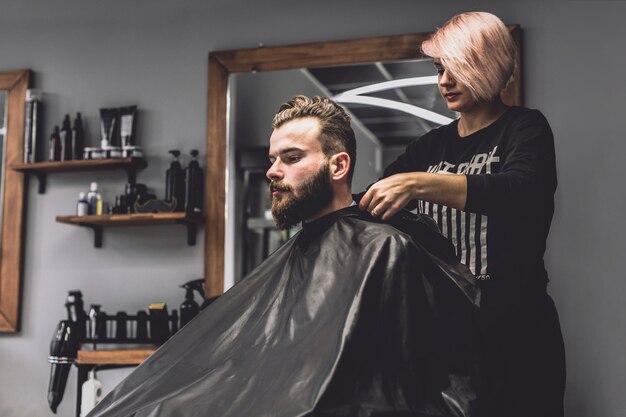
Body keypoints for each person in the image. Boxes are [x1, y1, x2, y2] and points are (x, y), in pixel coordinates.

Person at [86, 96, 481, 417]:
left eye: (291, 158)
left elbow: (394, 386)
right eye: (272, 159)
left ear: (338, 165)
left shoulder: (383, 248)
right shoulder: (299, 250)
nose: (272, 171)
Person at [358, 12, 565, 417]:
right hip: (449, 338)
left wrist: (419, 185)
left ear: (488, 65)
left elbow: (521, 190)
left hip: (520, 336)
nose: (443, 81)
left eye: (456, 67)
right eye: (439, 69)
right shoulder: (431, 147)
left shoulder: (525, 128)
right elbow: (375, 203)